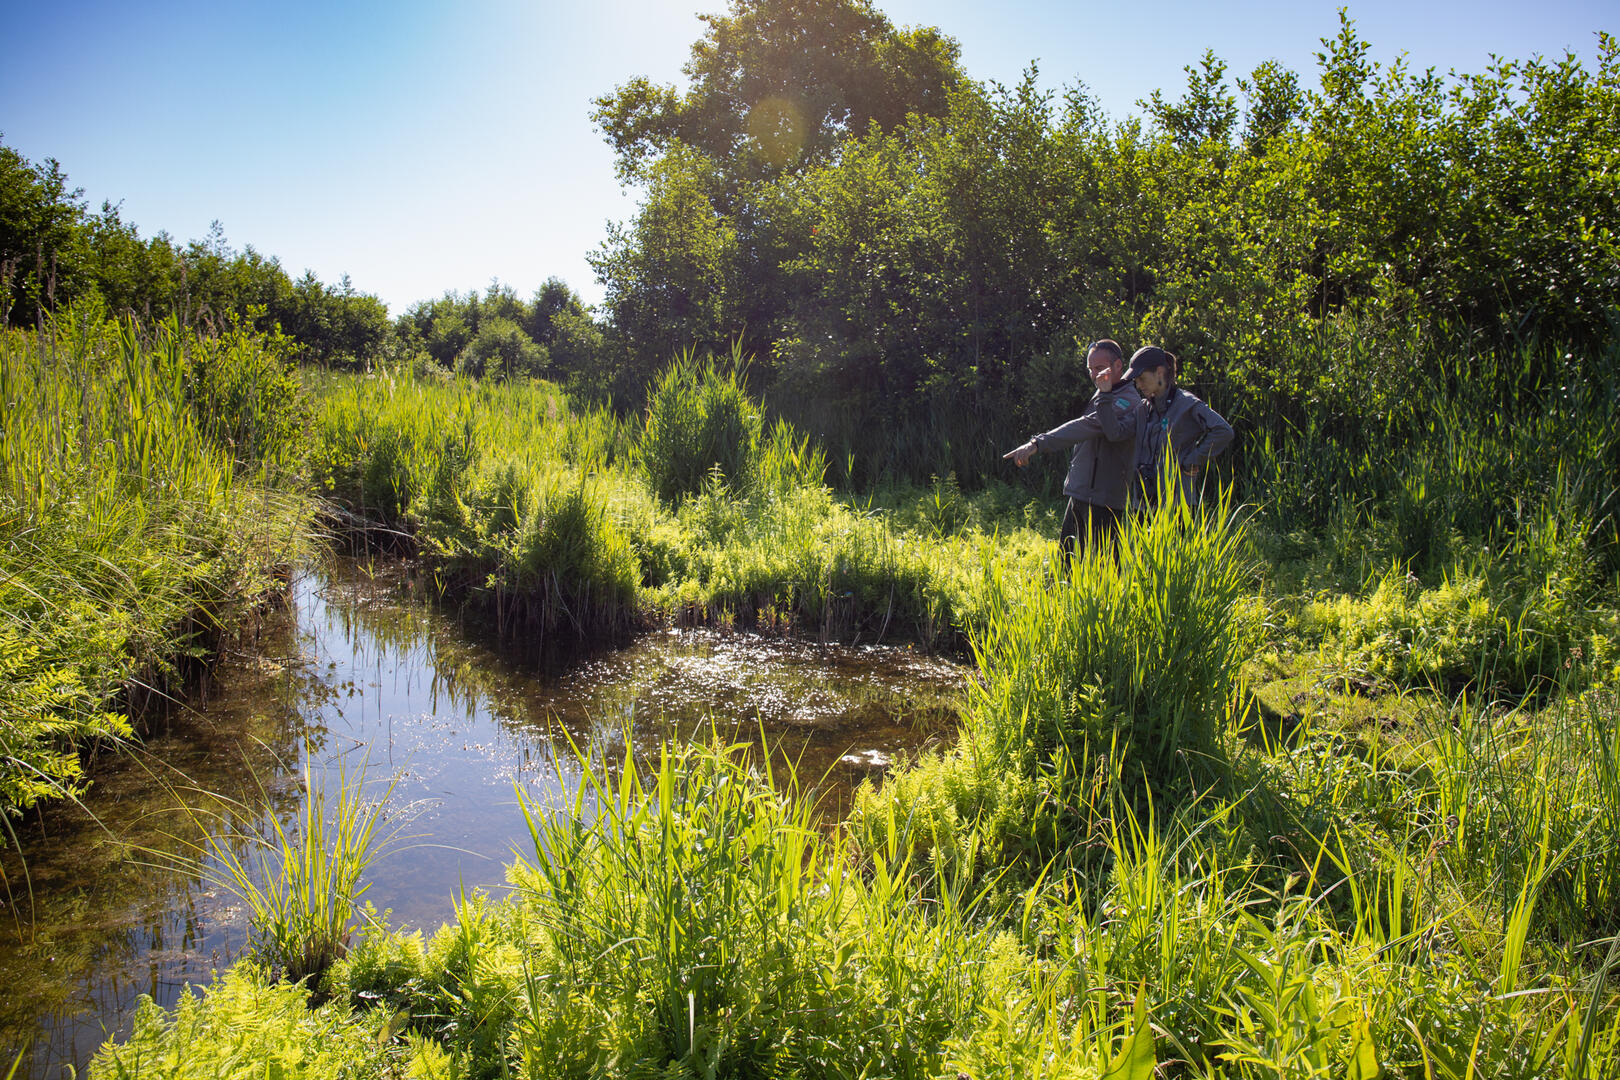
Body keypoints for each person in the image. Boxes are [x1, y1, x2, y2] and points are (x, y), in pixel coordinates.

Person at [1003, 339, 1144, 564]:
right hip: (1082, 492)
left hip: (1104, 499)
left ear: (1118, 365)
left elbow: (1086, 426)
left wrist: (1037, 443)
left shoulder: (1127, 401)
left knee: (1104, 568)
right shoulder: (1106, 392)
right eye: (1090, 369)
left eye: (1100, 368)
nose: (1094, 375)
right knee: (1067, 562)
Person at [1122, 346, 1233, 509]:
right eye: (1136, 380)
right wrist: (1104, 397)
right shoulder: (1143, 409)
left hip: (1178, 505)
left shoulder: (1186, 403)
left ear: (1159, 372)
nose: (1138, 385)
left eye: (1141, 378)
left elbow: (1223, 431)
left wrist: (1192, 461)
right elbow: (1116, 433)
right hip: (1144, 504)